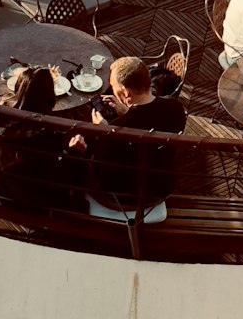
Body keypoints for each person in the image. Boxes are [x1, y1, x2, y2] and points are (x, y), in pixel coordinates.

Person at [72, 56, 186, 210]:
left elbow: (102, 174)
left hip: (125, 197)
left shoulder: (117, 129)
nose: (112, 90)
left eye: (113, 86)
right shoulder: (176, 107)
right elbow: (147, 121)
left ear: (125, 93)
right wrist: (127, 113)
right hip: (162, 187)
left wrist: (103, 133)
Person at [0, 66, 83, 209]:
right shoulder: (40, 136)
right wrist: (75, 152)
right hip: (26, 201)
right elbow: (58, 177)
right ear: (49, 95)